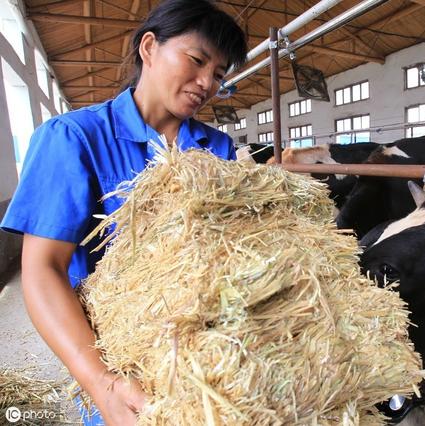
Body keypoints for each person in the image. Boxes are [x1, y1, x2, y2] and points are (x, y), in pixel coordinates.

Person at [0, 0, 247, 424]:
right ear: (149, 47)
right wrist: (101, 382)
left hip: (211, 356)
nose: (206, 83)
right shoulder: (74, 138)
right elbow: (43, 269)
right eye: (196, 60)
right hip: (123, 359)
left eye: (219, 75)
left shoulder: (217, 149)